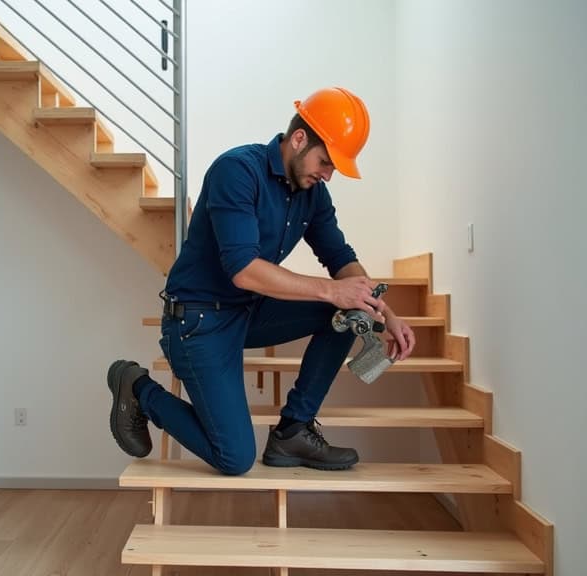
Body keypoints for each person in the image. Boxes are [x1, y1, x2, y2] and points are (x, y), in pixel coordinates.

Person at [107, 87, 416, 475]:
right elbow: (244, 269)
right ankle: (138, 388)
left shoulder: (313, 194)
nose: (328, 175)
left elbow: (340, 259)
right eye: (325, 162)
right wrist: (330, 290)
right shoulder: (236, 170)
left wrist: (386, 314)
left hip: (248, 312)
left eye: (334, 168)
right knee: (234, 458)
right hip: (197, 323)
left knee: (352, 309)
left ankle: (293, 430)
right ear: (299, 139)